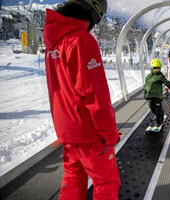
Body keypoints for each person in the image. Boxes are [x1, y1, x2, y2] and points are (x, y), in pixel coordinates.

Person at [43, 0, 120, 199]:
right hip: (89, 134)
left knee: (73, 179)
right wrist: (110, 133)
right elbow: (95, 95)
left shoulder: (55, 41)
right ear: (93, 13)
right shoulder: (81, 40)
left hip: (68, 131)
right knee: (106, 182)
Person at [144, 59, 170, 128]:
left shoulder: (160, 76)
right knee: (151, 107)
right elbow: (147, 85)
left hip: (157, 96)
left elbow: (167, 83)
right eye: (155, 68)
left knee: (157, 108)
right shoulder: (149, 76)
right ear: (152, 68)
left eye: (158, 68)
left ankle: (160, 119)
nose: (156, 69)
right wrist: (145, 92)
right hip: (150, 96)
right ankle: (158, 115)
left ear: (160, 68)